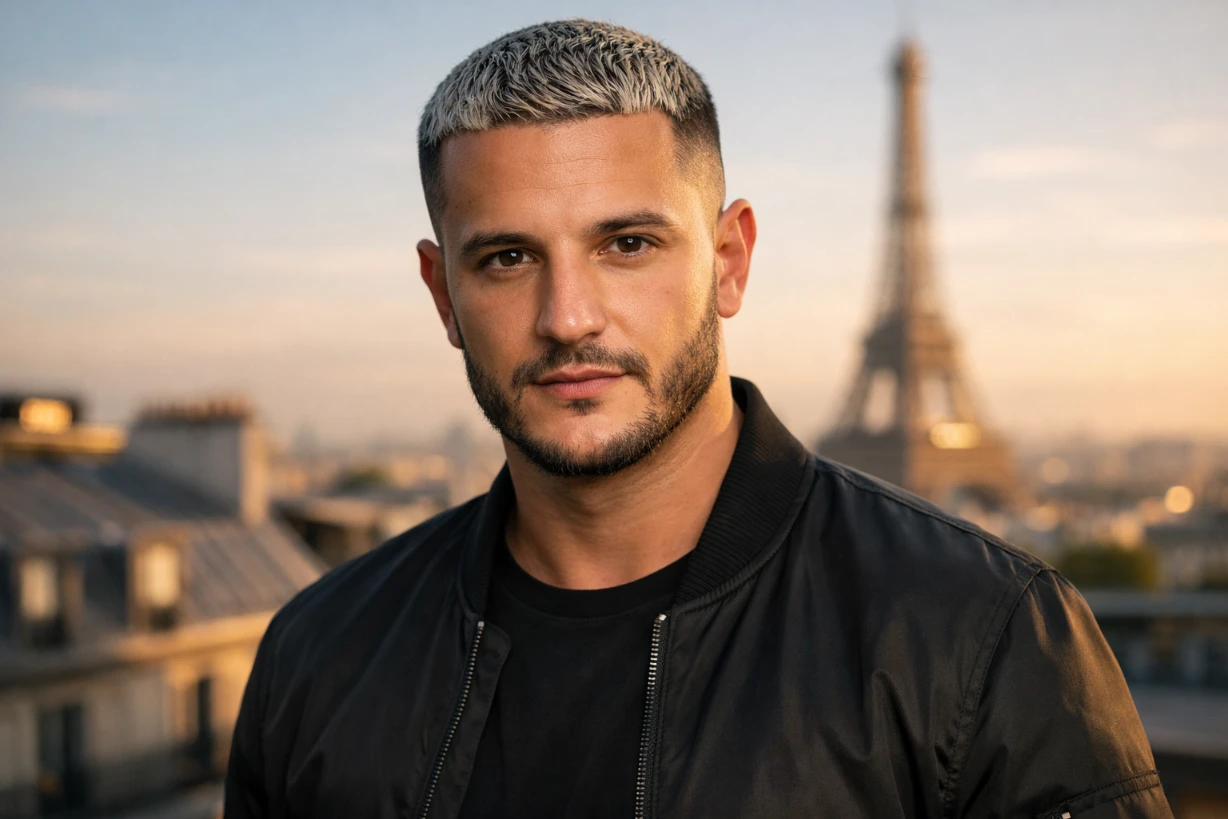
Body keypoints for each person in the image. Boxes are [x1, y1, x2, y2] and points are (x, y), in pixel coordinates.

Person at [224, 19, 1171, 819]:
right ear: (442, 295)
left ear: (729, 261)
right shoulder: (316, 657)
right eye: (508, 258)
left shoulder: (985, 635)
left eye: (627, 243)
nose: (567, 316)